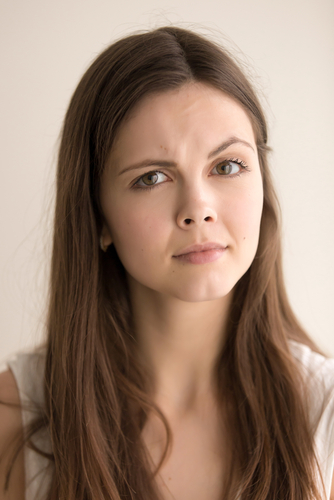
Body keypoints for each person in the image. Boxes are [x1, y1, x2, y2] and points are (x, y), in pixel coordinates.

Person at [0, 26, 333, 500]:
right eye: (152, 177)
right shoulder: (15, 418)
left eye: (227, 166)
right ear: (97, 217)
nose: (197, 208)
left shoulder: (324, 419)